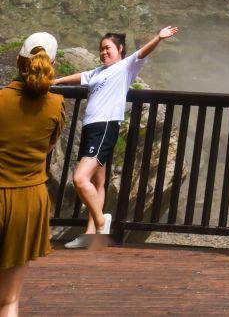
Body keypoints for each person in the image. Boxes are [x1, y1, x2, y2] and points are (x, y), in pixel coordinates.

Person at [53, 23, 178, 247]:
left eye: (108, 48)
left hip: (104, 127)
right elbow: (81, 76)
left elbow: (142, 53)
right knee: (98, 182)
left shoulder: (126, 67)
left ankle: (101, 221)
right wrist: (57, 81)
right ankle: (90, 235)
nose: (103, 52)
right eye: (101, 48)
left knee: (80, 179)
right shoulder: (99, 71)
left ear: (120, 49)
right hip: (91, 127)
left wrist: (158, 38)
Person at [0, 32, 66, 317]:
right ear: (51, 64)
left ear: (19, 61)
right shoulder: (55, 104)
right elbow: (49, 145)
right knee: (9, 299)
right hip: (27, 203)